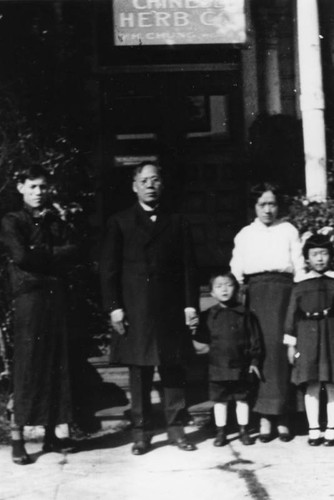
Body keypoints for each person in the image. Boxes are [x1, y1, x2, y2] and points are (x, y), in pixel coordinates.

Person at [100, 162, 198, 455]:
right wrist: (114, 307)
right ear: (135, 186)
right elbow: (108, 270)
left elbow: (189, 268)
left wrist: (191, 305)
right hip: (136, 308)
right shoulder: (120, 221)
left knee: (172, 368)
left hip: (169, 308)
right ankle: (141, 432)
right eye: (144, 181)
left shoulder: (177, 221)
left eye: (155, 180)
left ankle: (176, 427)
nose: (150, 185)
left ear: (162, 185)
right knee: (140, 370)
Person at [1, 165, 76, 464]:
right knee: (27, 364)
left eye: (43, 187)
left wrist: (41, 252)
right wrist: (51, 255)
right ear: (21, 188)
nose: (38, 192)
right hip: (28, 298)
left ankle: (50, 435)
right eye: (32, 186)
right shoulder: (11, 221)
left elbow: (75, 249)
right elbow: (21, 256)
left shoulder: (55, 219)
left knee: (55, 362)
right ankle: (18, 437)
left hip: (53, 296)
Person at [230, 182, 305, 442]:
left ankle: (283, 415)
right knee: (259, 351)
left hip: (284, 294)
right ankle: (263, 415)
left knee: (281, 351)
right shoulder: (245, 234)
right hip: (256, 296)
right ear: (254, 206)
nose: (268, 209)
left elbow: (298, 265)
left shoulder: (288, 230)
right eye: (262, 204)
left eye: (272, 204)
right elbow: (237, 269)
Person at [192, 272, 262, 446]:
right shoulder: (208, 315)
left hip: (241, 365)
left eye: (229, 285)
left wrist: (254, 362)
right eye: (219, 286)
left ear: (237, 290)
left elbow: (255, 340)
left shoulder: (245, 314)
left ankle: (243, 431)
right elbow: (201, 340)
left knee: (241, 398)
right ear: (212, 293)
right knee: (220, 400)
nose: (224, 289)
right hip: (217, 365)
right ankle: (221, 432)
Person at [284, 234, 334, 446]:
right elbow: (291, 315)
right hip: (307, 336)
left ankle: (331, 429)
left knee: (332, 385)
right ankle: (314, 429)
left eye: (324, 254)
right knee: (311, 384)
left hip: (332, 335)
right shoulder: (300, 285)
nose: (320, 259)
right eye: (314, 254)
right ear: (306, 258)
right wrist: (291, 343)